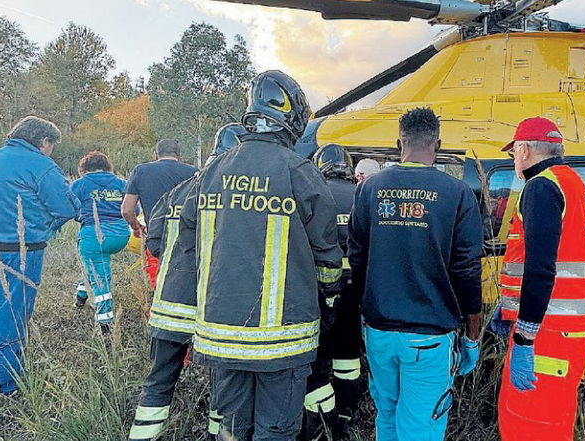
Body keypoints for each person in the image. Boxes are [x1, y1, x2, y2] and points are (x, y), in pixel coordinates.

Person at [179, 70, 342, 441]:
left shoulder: (211, 171)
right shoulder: (300, 172)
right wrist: (331, 304)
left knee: (232, 431)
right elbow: (328, 258)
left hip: (220, 334)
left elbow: (188, 236)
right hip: (284, 340)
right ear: (292, 118)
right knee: (277, 431)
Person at [347, 107, 483, 441]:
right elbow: (466, 269)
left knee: (389, 419)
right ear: (437, 144)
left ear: (398, 143)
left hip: (380, 331)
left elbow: (357, 259)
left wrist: (367, 311)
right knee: (419, 428)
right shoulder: (457, 193)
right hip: (429, 336)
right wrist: (472, 335)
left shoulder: (369, 189)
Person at [128, 124, 246, 441]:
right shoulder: (235, 198)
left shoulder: (176, 193)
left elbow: (152, 244)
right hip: (213, 307)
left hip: (169, 304)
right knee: (223, 380)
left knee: (159, 379)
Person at [493, 117, 585, 441]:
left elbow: (541, 268)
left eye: (514, 154)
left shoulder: (541, 186)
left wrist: (524, 337)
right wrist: (510, 308)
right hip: (567, 329)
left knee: (529, 424)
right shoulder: (574, 184)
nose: (514, 161)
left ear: (523, 150)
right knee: (555, 420)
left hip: (548, 333)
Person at [0, 116, 79, 395]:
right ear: (44, 141)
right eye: (51, 145)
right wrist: (47, 228)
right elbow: (67, 208)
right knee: (12, 314)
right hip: (19, 251)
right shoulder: (41, 165)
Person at [300, 144, 361, 440]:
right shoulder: (362, 195)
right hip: (356, 292)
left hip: (321, 288)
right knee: (349, 354)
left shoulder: (315, 194)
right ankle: (347, 409)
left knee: (319, 357)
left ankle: (323, 421)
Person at [121, 139, 197, 289]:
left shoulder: (141, 171)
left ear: (155, 155)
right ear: (179, 156)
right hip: (187, 239)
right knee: (185, 286)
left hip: (156, 238)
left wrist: (136, 227)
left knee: (159, 286)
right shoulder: (194, 172)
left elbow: (126, 210)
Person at [70, 151, 130, 333]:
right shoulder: (122, 183)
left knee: (100, 277)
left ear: (84, 168)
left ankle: (105, 323)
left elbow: (69, 207)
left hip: (93, 236)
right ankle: (81, 296)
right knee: (92, 266)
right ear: (107, 167)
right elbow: (133, 208)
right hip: (120, 236)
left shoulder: (79, 184)